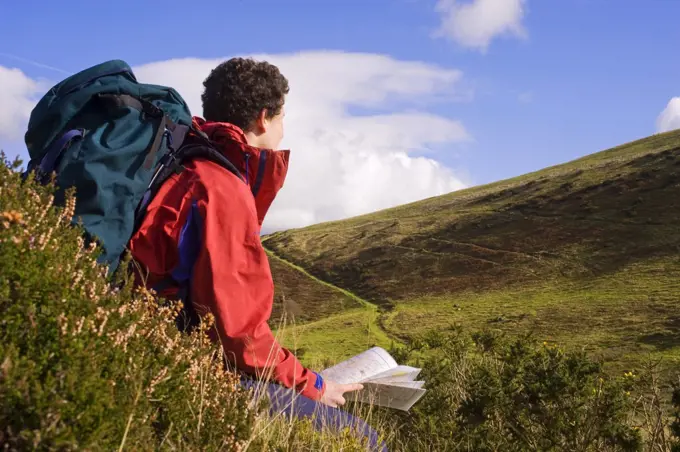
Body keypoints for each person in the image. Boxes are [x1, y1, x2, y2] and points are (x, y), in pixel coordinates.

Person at [127, 57, 387, 451]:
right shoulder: (221, 187)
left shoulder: (187, 163)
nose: (283, 129)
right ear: (264, 118)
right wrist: (314, 385)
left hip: (145, 346)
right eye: (283, 117)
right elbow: (239, 336)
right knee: (363, 440)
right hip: (177, 368)